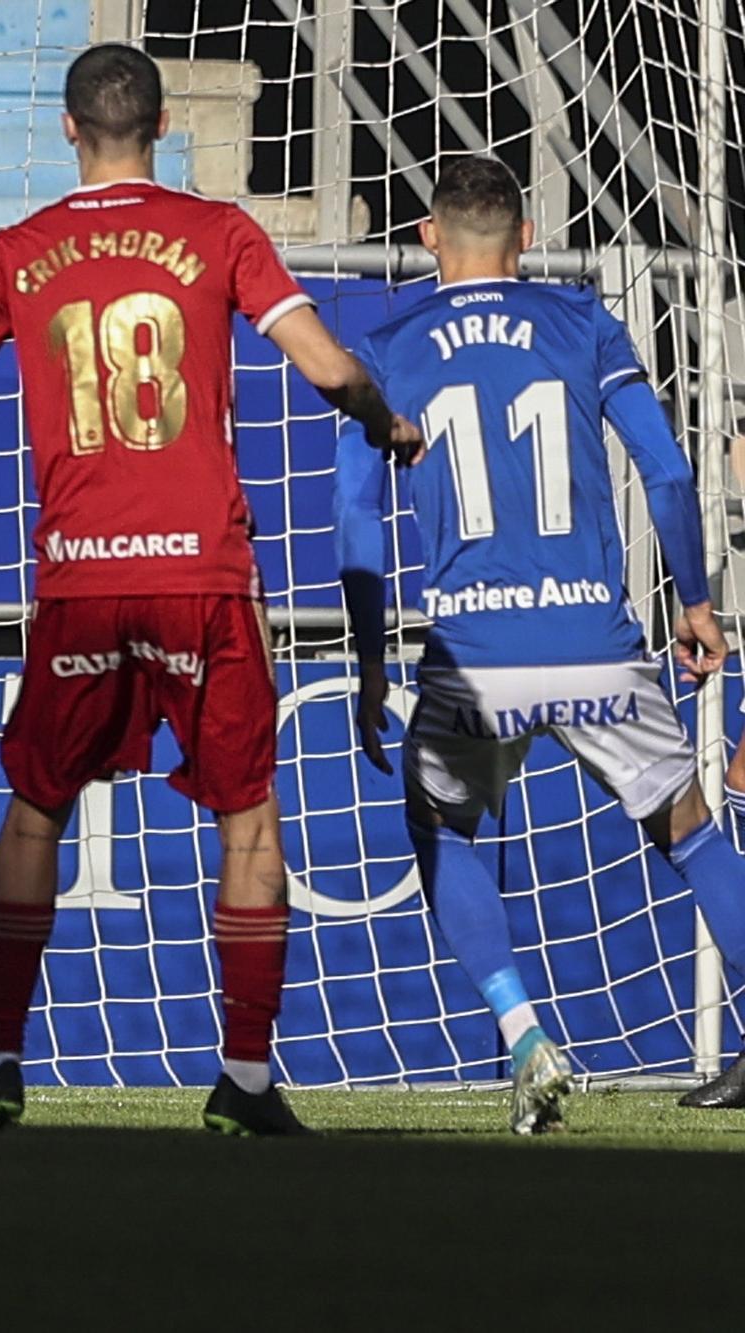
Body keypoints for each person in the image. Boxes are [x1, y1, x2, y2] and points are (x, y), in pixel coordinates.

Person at [0, 44, 418, 1135]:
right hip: (200, 575)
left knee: (35, 806)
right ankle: (245, 1081)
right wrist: (381, 416)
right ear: (164, 121)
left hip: (79, 579)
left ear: (68, 129)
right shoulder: (217, 232)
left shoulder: (17, 249)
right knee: (246, 815)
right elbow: (321, 361)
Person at [336, 153, 745, 1133]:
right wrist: (692, 600)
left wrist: (367, 660)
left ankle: (525, 1036)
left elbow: (355, 518)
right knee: (687, 825)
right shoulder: (579, 322)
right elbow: (666, 472)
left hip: (475, 652)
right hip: (592, 637)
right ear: (522, 238)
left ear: (428, 237)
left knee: (443, 833)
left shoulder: (386, 342)